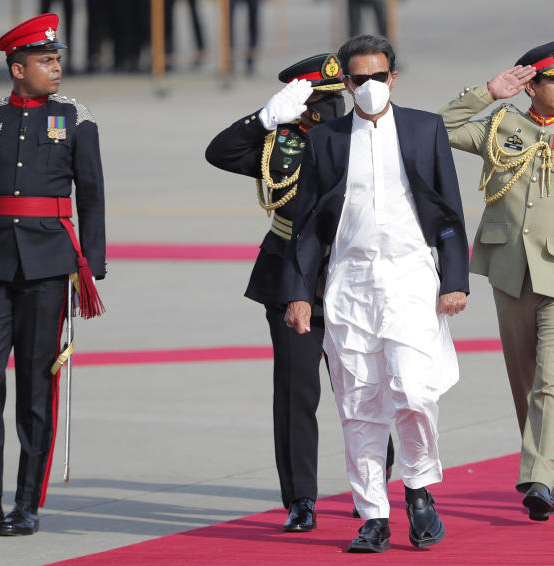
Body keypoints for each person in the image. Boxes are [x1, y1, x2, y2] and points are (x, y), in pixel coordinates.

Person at [283, 34, 468, 553]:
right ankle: (373, 516)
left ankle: (417, 488)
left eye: (378, 77)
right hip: (351, 281)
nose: (368, 87)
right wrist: (300, 293)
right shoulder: (326, 140)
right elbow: (308, 227)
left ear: (393, 77)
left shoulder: (423, 128)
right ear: (345, 81)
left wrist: (455, 280)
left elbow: (450, 212)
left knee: (414, 391)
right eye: (358, 79)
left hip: (410, 277)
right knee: (360, 404)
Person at [438, 41, 554, 521]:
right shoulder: (500, 125)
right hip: (508, 269)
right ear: (529, 85)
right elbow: (439, 128)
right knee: (524, 378)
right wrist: (488, 93)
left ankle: (536, 476)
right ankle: (553, 474)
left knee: (551, 379)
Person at [0, 13, 105, 536]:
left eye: (56, 58)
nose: (56, 67)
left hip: (48, 264)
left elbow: (92, 195)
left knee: (37, 386)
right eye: (45, 60)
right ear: (18, 68)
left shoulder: (75, 118)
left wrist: (94, 261)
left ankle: (26, 504)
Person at [206, 53, 365, 532]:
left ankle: (372, 486)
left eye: (336, 97)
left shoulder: (367, 133)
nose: (332, 106)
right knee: (297, 392)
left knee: (362, 389)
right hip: (291, 271)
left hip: (353, 274)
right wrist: (265, 118)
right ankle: (301, 498)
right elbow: (220, 153)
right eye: (322, 98)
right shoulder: (281, 141)